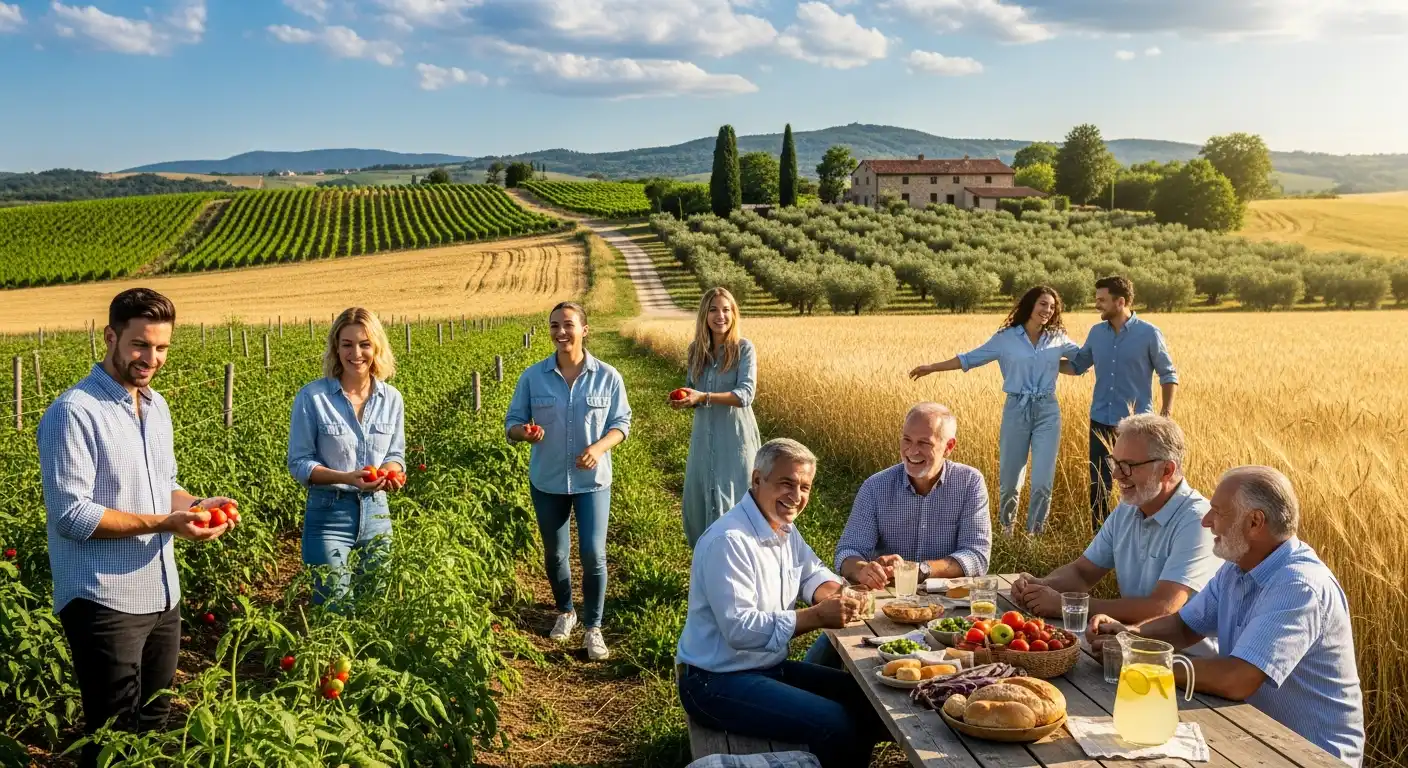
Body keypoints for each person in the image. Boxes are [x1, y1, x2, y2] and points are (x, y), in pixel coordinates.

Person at [38, 288, 239, 768]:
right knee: (112, 735)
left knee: (153, 724)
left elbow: (162, 485)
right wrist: (165, 524)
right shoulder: (74, 412)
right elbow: (73, 515)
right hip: (104, 599)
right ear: (110, 337)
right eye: (139, 345)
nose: (151, 358)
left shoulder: (156, 406)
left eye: (162, 347)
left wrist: (196, 504)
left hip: (161, 594)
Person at [1088, 466, 1364, 766]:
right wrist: (1128, 636)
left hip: (1309, 755)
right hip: (1252, 735)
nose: (1206, 521)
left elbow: (1238, 678)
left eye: (1217, 512)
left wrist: (1142, 664)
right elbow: (1182, 627)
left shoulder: (1299, 586)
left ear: (1255, 522)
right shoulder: (1237, 567)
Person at [676, 439, 888, 768]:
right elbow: (740, 631)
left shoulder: (783, 528)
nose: (796, 496)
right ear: (757, 480)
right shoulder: (729, 541)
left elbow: (810, 572)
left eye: (805, 486)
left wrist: (837, 593)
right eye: (786, 483)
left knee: (873, 702)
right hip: (714, 681)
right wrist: (817, 616)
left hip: (765, 668)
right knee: (837, 725)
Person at [1009, 414, 1219, 654]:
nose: (1117, 475)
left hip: (1188, 665)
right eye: (1115, 463)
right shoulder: (1129, 507)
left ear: (1166, 470)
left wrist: (1066, 605)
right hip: (1129, 647)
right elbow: (1082, 573)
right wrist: (1040, 587)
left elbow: (1163, 607)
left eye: (1128, 466)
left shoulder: (1198, 521)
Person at [804, 402, 990, 667]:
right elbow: (846, 553)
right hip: (883, 607)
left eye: (924, 443)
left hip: (945, 610)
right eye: (906, 440)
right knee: (819, 663)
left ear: (949, 447)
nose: (912, 451)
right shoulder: (876, 486)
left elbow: (977, 557)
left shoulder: (970, 482)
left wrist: (920, 570)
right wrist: (862, 570)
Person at [506, 302, 631, 661]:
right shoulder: (533, 376)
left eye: (568, 325)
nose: (561, 332)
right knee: (556, 552)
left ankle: (593, 627)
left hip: (593, 480)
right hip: (547, 479)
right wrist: (524, 432)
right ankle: (566, 611)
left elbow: (621, 424)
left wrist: (599, 447)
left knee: (593, 553)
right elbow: (512, 422)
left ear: (584, 330)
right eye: (554, 326)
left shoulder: (608, 376)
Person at [910, 285, 1081, 535]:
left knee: (1043, 481)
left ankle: (1034, 535)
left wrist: (1105, 345)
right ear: (1031, 305)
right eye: (1043, 304)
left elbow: (1081, 362)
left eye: (1052, 307)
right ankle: (1006, 530)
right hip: (1016, 410)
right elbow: (969, 358)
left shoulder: (1057, 338)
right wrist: (932, 367)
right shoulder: (1006, 338)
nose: (1048, 310)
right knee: (1011, 480)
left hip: (1048, 410)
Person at [287, 307, 406, 608]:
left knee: (374, 605)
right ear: (335, 348)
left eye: (364, 344)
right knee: (334, 606)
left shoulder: (391, 399)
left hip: (377, 513)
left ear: (376, 347)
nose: (356, 353)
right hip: (329, 514)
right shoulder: (312, 397)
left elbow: (395, 454)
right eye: (347, 344)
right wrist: (345, 478)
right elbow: (300, 462)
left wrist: (391, 473)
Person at [1062, 276, 1179, 531]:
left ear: (1121, 301)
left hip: (1137, 426)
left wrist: (1165, 415)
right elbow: (1077, 366)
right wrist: (1039, 362)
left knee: (1139, 484)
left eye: (1102, 300)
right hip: (1100, 420)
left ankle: (1141, 534)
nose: (1097, 305)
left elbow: (1168, 374)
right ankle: (1099, 537)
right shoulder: (1096, 333)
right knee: (1099, 483)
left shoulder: (1148, 333)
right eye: (1097, 300)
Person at [673, 287, 761, 547]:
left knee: (735, 501)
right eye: (713, 309)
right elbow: (692, 387)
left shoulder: (743, 349)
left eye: (726, 309)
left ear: (734, 314)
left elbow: (746, 394)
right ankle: (707, 564)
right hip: (703, 439)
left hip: (734, 439)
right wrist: (685, 400)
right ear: (704, 315)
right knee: (699, 502)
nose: (719, 316)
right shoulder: (696, 351)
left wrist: (703, 397)